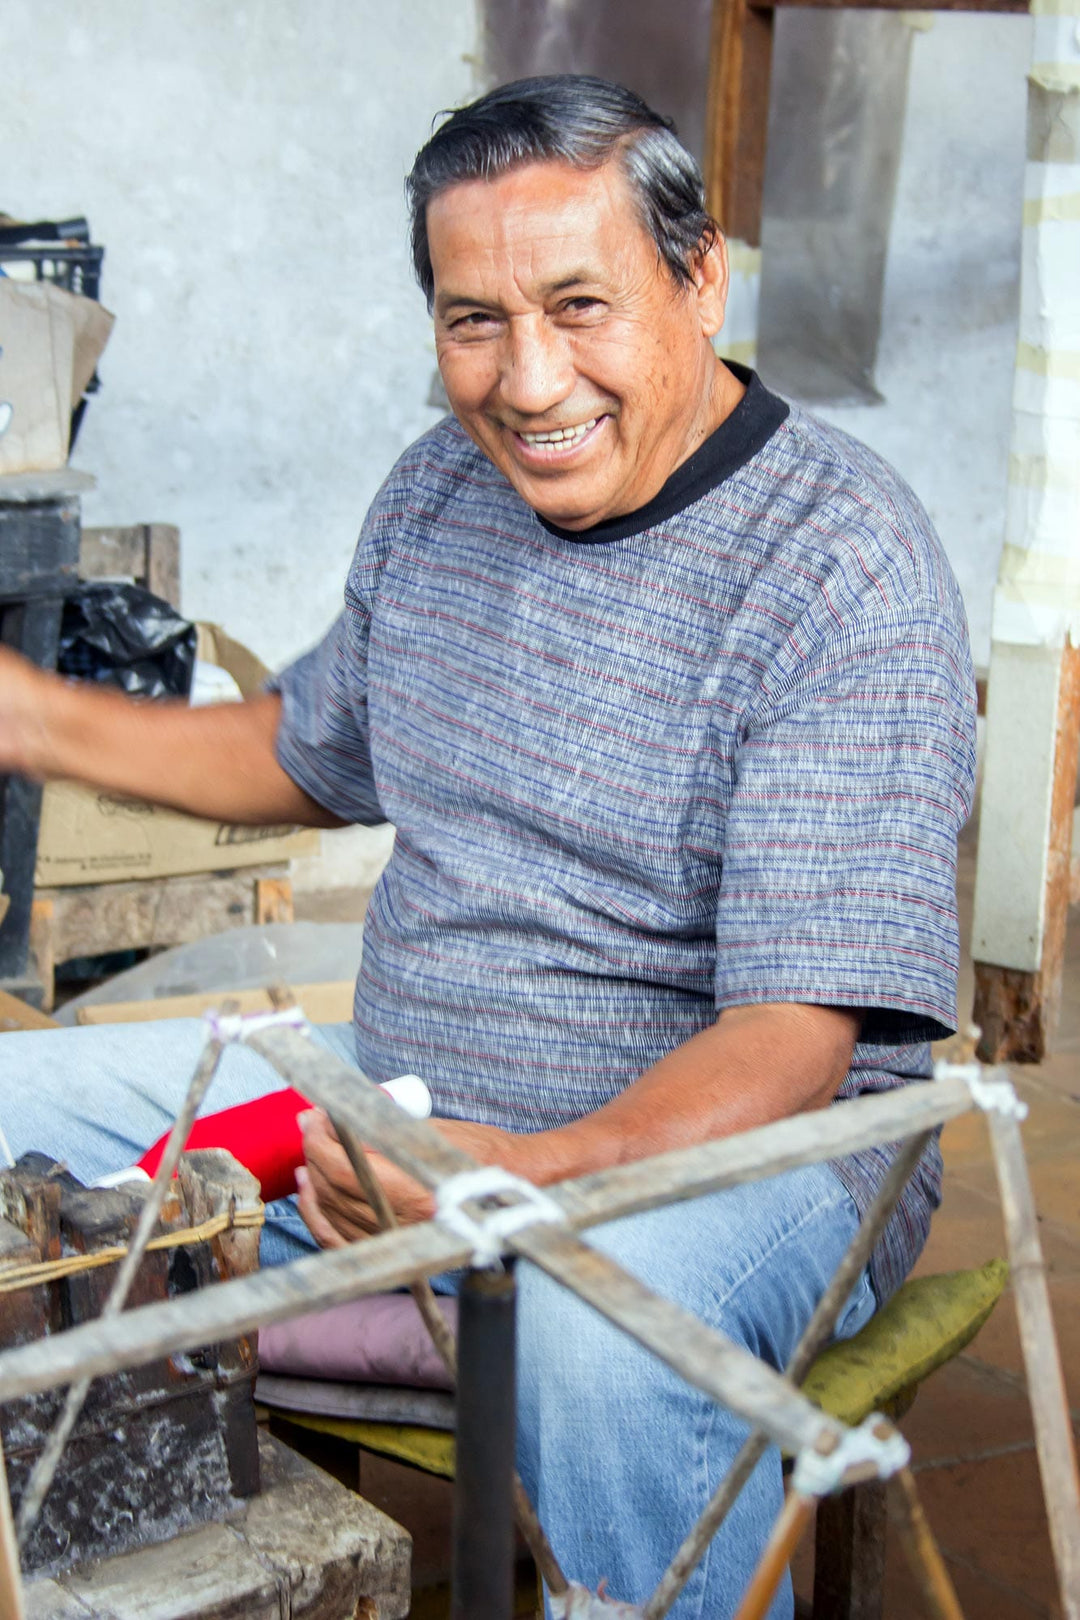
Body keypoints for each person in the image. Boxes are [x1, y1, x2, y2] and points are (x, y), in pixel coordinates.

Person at [0, 76, 976, 1618]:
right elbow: (307, 748)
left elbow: (793, 1040)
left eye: (581, 304)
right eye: (473, 321)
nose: (528, 382)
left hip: (754, 1154)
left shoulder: (839, 561)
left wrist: (512, 1182)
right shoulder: (443, 491)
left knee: (599, 1336)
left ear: (699, 274)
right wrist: (35, 721)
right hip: (406, 1097)